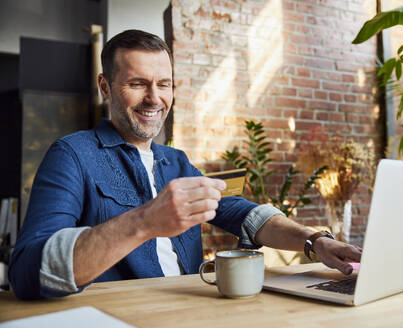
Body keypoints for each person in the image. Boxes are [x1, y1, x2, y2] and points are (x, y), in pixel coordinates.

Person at [8, 30, 361, 300]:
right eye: (137, 84)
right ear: (105, 86)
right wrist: (145, 222)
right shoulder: (71, 154)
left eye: (164, 84)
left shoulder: (175, 161)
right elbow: (27, 271)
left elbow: (243, 214)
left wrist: (316, 241)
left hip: (188, 310)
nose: (154, 98)